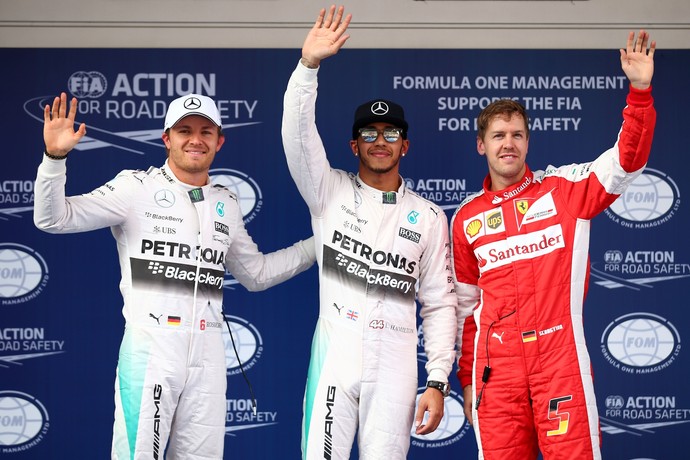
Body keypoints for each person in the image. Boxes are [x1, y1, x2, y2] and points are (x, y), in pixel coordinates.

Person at [34, 92, 316, 459]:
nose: (195, 139)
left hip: (209, 353)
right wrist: (55, 159)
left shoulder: (225, 203)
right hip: (152, 348)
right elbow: (53, 218)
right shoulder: (135, 187)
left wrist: (320, 245)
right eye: (184, 130)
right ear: (166, 138)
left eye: (205, 131)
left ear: (219, 141)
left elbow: (256, 274)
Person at [451, 30, 656, 459]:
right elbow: (468, 308)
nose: (508, 143)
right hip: (496, 375)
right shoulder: (467, 219)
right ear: (480, 145)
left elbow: (626, 162)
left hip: (559, 362)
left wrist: (639, 93)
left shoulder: (564, 190)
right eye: (498, 135)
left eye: (517, 135)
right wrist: (467, 380)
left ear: (528, 141)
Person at [282, 6, 458, 459]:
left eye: (391, 132)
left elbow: (440, 303)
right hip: (335, 359)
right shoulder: (328, 191)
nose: (381, 141)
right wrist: (308, 68)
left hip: (397, 363)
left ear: (406, 144)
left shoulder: (430, 217)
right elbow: (299, 137)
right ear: (354, 144)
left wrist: (437, 380)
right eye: (370, 133)